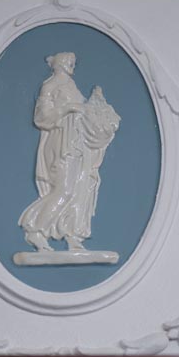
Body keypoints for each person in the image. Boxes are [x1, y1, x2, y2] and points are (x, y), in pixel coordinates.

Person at [18, 52, 121, 253]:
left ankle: (72, 236)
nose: (72, 64)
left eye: (73, 61)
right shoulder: (49, 86)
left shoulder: (72, 86)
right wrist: (68, 108)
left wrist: (96, 100)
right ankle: (35, 229)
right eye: (69, 61)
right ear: (61, 64)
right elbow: (42, 117)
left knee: (80, 189)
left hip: (78, 144)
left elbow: (86, 110)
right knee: (64, 190)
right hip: (60, 143)